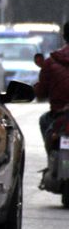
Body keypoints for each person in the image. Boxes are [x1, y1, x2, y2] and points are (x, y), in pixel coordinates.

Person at [35, 21, 69, 151]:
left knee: (44, 121)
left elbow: (41, 92)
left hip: (58, 115)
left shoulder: (51, 62)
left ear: (64, 36)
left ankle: (51, 156)